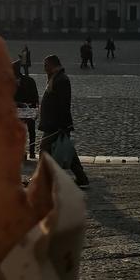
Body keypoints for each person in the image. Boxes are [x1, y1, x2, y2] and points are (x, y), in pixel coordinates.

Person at [39, 54, 89, 187]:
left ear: (53, 65)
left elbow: (63, 104)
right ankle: (82, 179)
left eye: (46, 65)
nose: (44, 68)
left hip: (56, 124)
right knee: (69, 153)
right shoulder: (56, 78)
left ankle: (41, 181)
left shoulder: (61, 80)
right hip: (55, 123)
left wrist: (62, 125)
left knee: (44, 150)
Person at [14, 60, 39, 160]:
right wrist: (35, 108)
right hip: (30, 107)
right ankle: (32, 151)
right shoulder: (30, 80)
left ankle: (22, 152)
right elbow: (35, 96)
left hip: (19, 109)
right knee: (31, 131)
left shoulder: (12, 82)